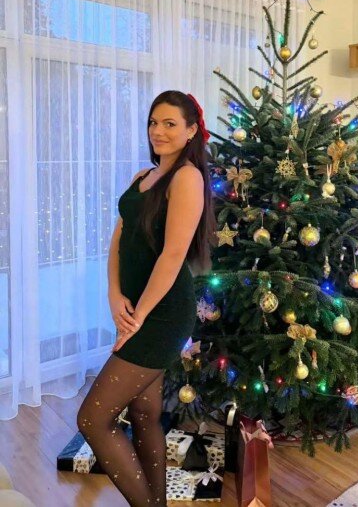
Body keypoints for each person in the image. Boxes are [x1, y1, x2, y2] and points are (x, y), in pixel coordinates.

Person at [77, 91, 216, 506]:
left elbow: (173, 256)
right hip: (136, 307)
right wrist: (114, 293)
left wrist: (138, 318)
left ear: (191, 130)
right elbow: (119, 240)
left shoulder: (187, 178)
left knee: (92, 419)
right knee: (143, 414)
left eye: (170, 123)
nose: (158, 131)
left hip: (163, 314)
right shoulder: (144, 176)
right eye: (154, 122)